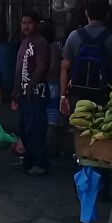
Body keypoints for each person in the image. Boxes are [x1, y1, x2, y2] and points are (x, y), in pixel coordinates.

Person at [59, 0, 112, 116]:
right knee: (101, 128)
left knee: (79, 127)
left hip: (77, 94)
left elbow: (65, 69)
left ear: (86, 14)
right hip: (104, 94)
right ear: (107, 15)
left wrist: (63, 96)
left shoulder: (74, 36)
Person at [13, 12, 50, 176]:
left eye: (29, 23)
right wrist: (16, 92)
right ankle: (28, 161)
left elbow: (41, 66)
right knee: (23, 129)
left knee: (35, 129)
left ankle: (40, 163)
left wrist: (30, 87)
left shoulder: (40, 43)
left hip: (36, 93)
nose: (25, 26)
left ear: (36, 24)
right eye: (23, 22)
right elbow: (19, 68)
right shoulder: (25, 42)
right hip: (23, 94)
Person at [39, 21, 66, 157]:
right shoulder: (56, 47)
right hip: (53, 85)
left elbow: (53, 67)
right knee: (53, 120)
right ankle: (55, 148)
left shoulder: (50, 48)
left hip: (51, 85)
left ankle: (51, 149)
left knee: (51, 121)